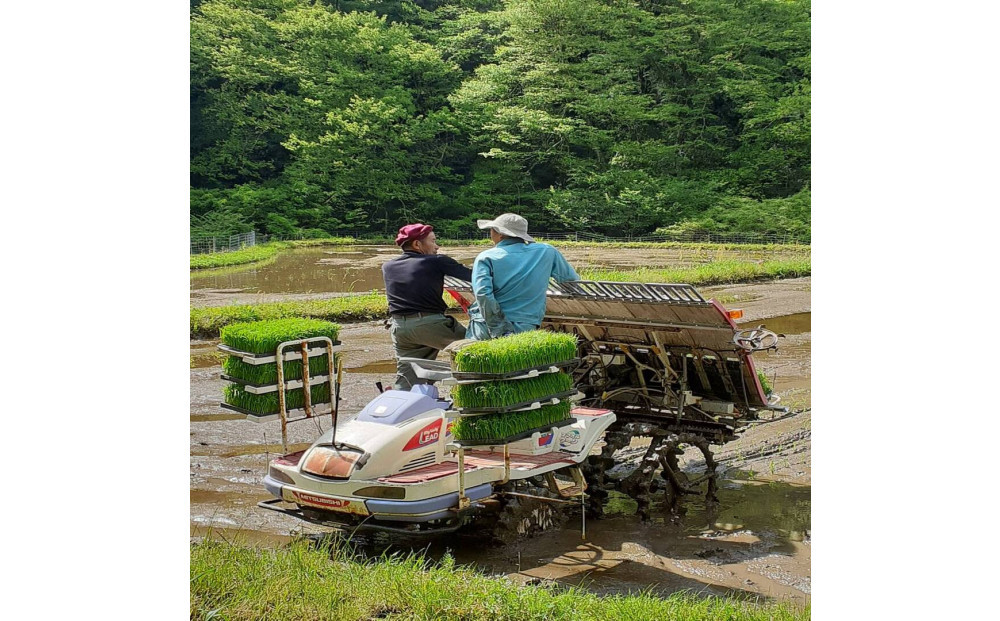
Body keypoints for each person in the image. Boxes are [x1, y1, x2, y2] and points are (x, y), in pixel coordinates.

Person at [381, 223, 473, 390]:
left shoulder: (388, 266)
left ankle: (401, 409)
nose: (437, 246)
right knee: (477, 349)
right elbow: (475, 276)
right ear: (417, 244)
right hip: (430, 325)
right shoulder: (436, 262)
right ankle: (477, 394)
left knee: (407, 378)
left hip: (400, 328)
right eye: (433, 240)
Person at [466, 213, 579, 340]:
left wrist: (499, 328)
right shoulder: (547, 251)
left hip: (486, 326)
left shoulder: (486, 257)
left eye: (492, 229)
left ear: (500, 233)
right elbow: (571, 281)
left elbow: (483, 294)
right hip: (525, 325)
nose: (490, 233)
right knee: (518, 359)